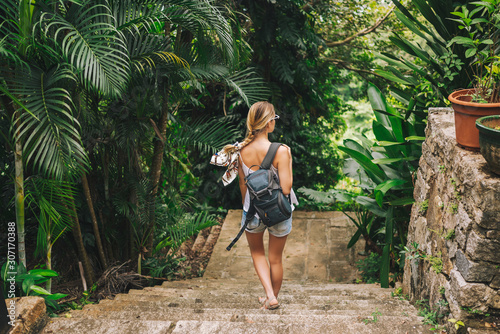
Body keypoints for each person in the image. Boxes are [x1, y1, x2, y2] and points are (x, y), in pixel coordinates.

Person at [221, 101, 298, 310]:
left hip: (253, 212)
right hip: (279, 212)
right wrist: (287, 160)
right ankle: (272, 298)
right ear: (269, 123)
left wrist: (249, 209)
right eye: (274, 119)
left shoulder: (240, 150)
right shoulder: (281, 150)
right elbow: (286, 187)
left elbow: (242, 185)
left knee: (257, 253)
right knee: (276, 259)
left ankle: (269, 295)